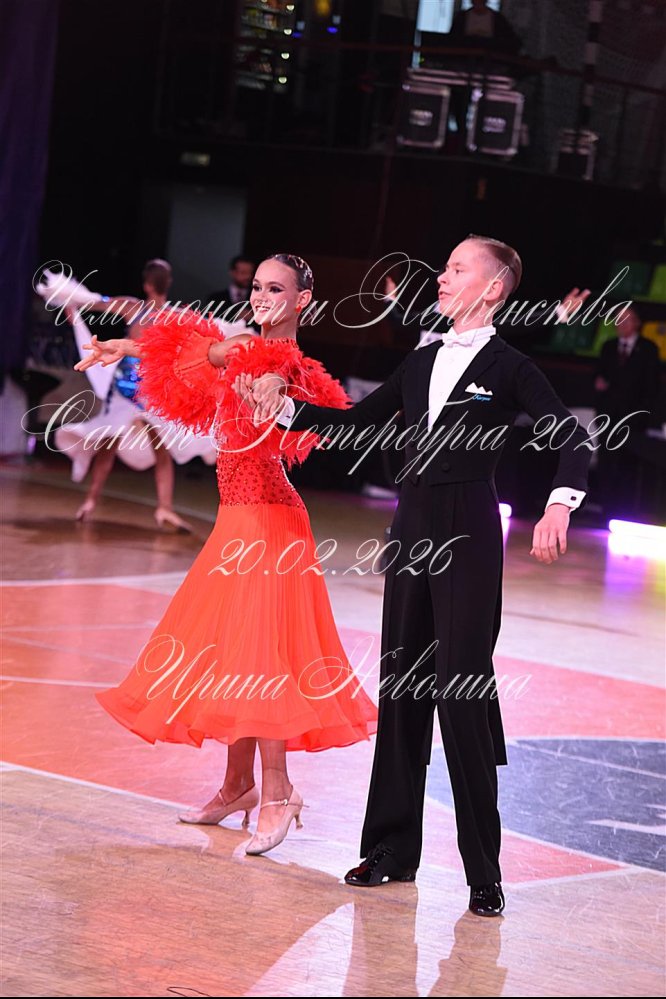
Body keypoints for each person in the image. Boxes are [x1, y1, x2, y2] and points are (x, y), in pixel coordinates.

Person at [238, 235, 592, 915]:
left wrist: (559, 504)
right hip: (410, 528)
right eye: (445, 267)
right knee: (401, 689)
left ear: (493, 288)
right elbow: (354, 425)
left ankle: (483, 871)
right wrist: (280, 405)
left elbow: (571, 437)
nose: (442, 277)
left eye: (457, 269)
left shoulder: (511, 366)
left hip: (469, 531)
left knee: (460, 695)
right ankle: (391, 851)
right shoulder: (422, 359)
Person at [72, 252, 378, 856]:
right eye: (257, 286)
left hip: (269, 519)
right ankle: (238, 785)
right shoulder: (246, 348)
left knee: (263, 659)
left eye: (276, 289)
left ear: (302, 300)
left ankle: (278, 792)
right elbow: (190, 352)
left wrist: (272, 385)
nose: (261, 296)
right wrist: (124, 348)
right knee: (240, 652)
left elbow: (307, 408)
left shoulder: (284, 362)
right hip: (238, 519)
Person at [45, 260, 214, 529]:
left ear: (147, 284)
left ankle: (98, 501)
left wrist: (71, 305)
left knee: (118, 446)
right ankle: (159, 507)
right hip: (137, 390)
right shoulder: (169, 314)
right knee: (149, 448)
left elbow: (93, 302)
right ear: (167, 283)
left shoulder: (140, 308)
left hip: (144, 390)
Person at [593, 303, 661, 517]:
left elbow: (651, 387)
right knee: (606, 465)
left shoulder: (648, 349)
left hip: (633, 421)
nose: (621, 324)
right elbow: (599, 379)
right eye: (618, 319)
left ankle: (625, 513)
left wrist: (642, 417)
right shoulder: (608, 347)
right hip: (608, 418)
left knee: (628, 467)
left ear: (637, 323)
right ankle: (605, 512)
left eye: (626, 319)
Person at [207, 254, 256, 327]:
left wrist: (253, 317)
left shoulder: (257, 299)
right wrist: (235, 316)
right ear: (232, 273)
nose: (248, 277)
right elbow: (209, 323)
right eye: (243, 272)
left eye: (250, 273)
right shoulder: (215, 299)